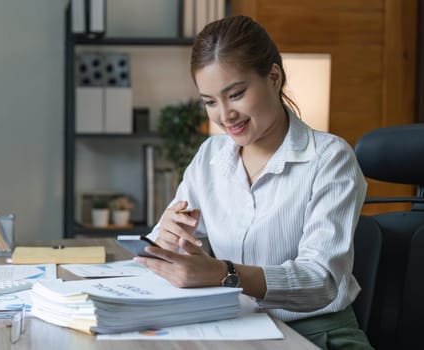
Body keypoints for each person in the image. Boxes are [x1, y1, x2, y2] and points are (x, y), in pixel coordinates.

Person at [134, 15, 372, 349]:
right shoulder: (210, 156)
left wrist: (224, 274)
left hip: (316, 333)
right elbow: (166, 251)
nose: (224, 115)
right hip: (238, 328)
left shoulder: (330, 158)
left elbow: (322, 282)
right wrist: (169, 239)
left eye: (236, 94)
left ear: (273, 78)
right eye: (209, 102)